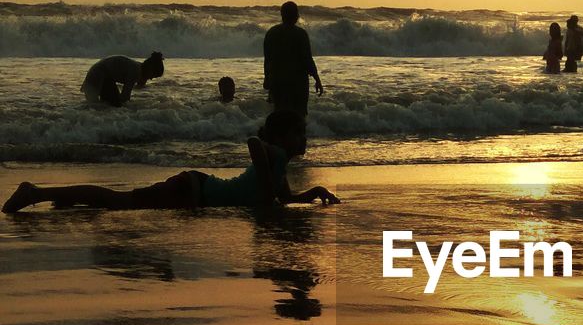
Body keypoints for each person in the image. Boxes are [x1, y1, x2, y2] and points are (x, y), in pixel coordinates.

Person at [3, 110, 340, 214]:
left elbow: (282, 199)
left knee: (113, 204)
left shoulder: (280, 163)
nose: (306, 140)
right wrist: (267, 181)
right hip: (191, 190)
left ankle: (58, 197)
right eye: (301, 133)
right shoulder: (275, 153)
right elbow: (254, 142)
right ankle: (35, 192)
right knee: (118, 202)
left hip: (195, 193)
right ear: (283, 138)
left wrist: (312, 193)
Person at [263, 1, 323, 115]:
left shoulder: (271, 33)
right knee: (299, 115)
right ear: (296, 15)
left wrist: (267, 78)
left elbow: (268, 59)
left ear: (282, 15)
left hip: (277, 81)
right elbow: (307, 60)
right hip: (297, 83)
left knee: (279, 114)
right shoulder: (300, 34)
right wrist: (317, 79)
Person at [81, 51, 164, 106]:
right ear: (150, 69)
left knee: (101, 106)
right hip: (99, 75)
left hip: (100, 74)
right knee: (110, 106)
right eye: (153, 76)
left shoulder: (137, 67)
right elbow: (125, 96)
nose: (151, 79)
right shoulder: (135, 71)